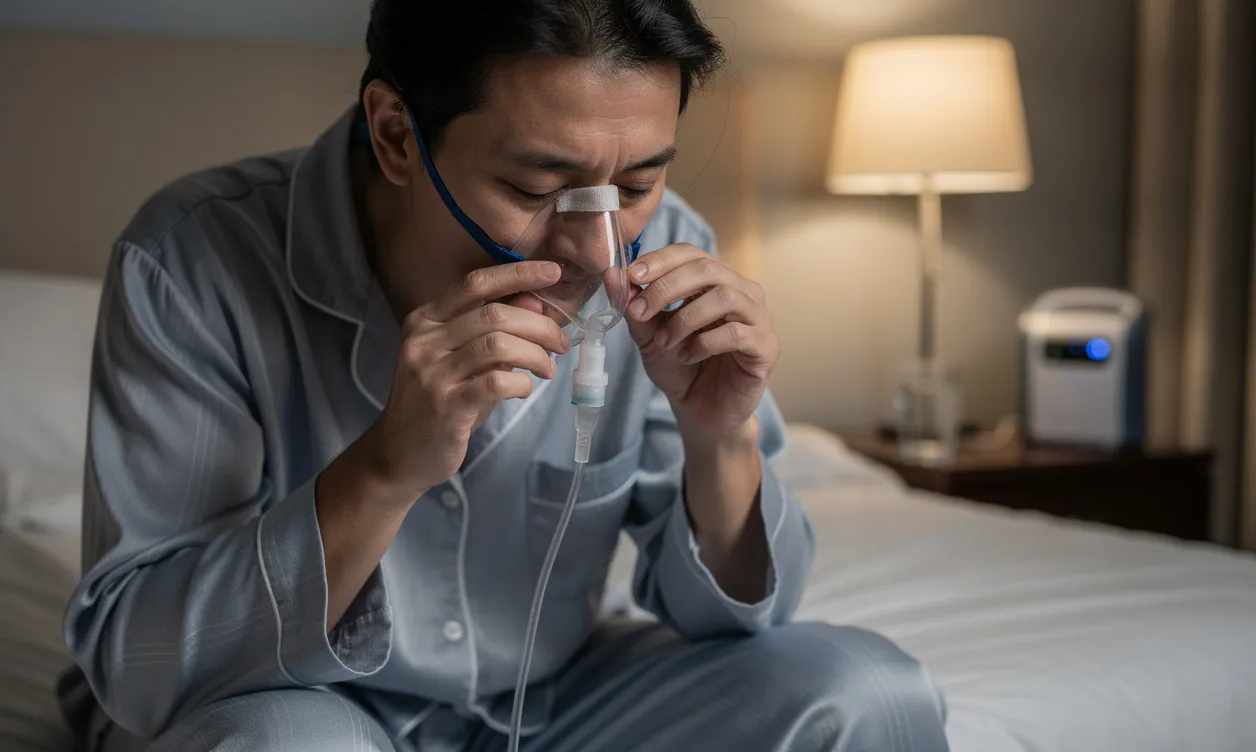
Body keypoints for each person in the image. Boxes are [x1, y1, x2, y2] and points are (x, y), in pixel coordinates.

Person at [57, 0, 949, 750]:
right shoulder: (194, 259)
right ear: (398, 134)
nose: (596, 249)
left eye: (636, 183)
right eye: (537, 189)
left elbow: (739, 623)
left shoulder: (670, 243)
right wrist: (385, 468)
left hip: (555, 702)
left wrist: (721, 437)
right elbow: (140, 668)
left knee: (871, 694)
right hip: (293, 701)